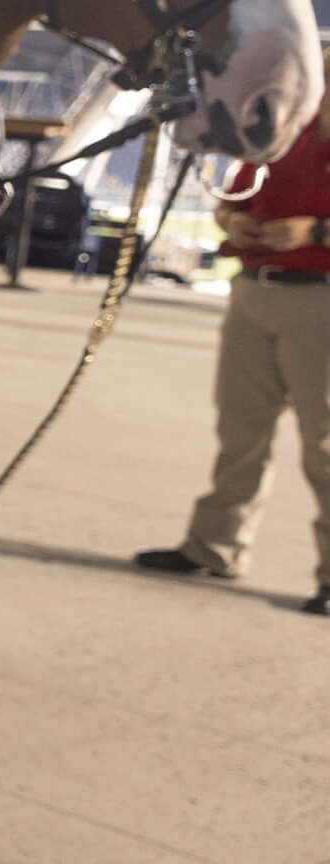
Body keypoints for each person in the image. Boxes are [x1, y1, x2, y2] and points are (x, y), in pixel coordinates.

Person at [138, 89, 330, 614]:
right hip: (253, 291)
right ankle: (214, 547)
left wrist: (316, 231)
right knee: (241, 429)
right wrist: (231, 220)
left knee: (326, 444)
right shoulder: (283, 130)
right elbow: (234, 198)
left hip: (322, 301)